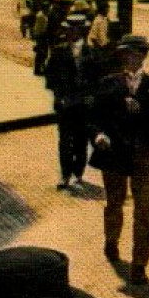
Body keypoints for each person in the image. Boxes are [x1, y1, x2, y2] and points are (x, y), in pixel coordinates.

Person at [88, 35, 149, 286]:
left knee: (144, 209)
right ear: (121, 56)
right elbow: (93, 117)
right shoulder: (108, 84)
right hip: (114, 154)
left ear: (144, 57)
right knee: (114, 202)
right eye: (127, 54)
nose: (131, 59)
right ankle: (112, 240)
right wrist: (99, 135)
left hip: (144, 156)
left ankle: (139, 264)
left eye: (137, 54)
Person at [44, 13, 96, 189]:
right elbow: (50, 77)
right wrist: (59, 96)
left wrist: (91, 96)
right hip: (65, 104)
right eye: (70, 29)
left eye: (77, 29)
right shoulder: (58, 51)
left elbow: (98, 79)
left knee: (81, 140)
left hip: (84, 105)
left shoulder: (92, 53)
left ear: (83, 31)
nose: (73, 32)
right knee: (65, 140)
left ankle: (78, 174)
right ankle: (65, 174)